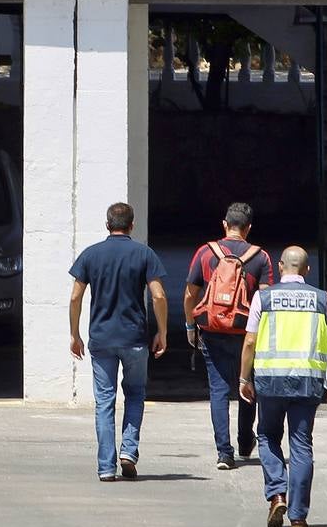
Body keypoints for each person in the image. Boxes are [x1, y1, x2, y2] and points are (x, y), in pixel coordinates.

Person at [239, 246, 327, 527]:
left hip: (271, 380)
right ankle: (298, 516)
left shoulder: (264, 297)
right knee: (301, 444)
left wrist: (243, 378)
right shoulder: (323, 300)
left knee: (267, 435)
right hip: (308, 382)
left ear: (280, 267)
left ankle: (277, 494)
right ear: (307, 270)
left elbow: (249, 341)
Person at [69, 202, 168, 482]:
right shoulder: (143, 254)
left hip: (101, 339)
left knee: (104, 401)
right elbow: (158, 296)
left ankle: (106, 467)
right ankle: (129, 451)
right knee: (135, 394)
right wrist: (162, 331)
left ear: (107, 224)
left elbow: (76, 296)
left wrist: (74, 334)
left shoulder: (91, 255)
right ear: (132, 225)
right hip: (135, 338)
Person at [182, 201, 276, 469]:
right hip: (246, 331)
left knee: (218, 390)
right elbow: (266, 298)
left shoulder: (205, 252)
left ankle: (225, 452)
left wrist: (191, 326)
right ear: (248, 228)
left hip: (212, 330)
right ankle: (246, 442)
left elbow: (190, 294)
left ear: (225, 225)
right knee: (246, 383)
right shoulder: (260, 257)